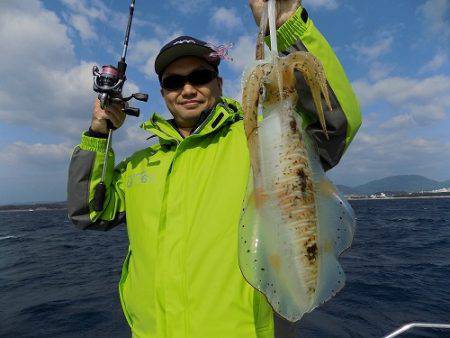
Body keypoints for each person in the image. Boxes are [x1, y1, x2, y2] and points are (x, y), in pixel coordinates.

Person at [67, 0, 361, 337]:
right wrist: (98, 134)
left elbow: (336, 124)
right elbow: (88, 212)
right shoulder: (139, 166)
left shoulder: (256, 140)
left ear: (218, 84)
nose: (188, 88)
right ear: (163, 93)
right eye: (174, 82)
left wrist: (285, 26)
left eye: (200, 76)